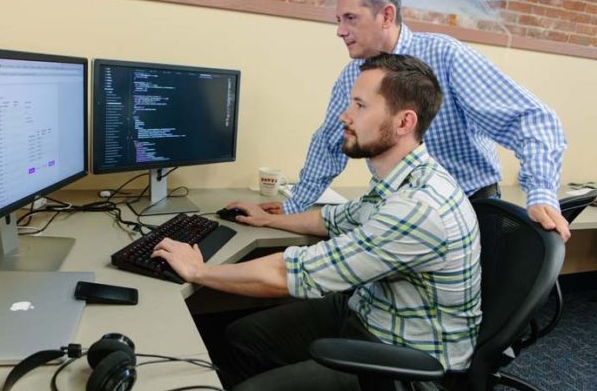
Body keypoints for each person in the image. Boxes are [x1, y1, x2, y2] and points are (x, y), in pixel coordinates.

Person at [153, 53, 482, 391]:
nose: (345, 115)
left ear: (403, 123)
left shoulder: (418, 208)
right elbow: (333, 219)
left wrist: (198, 271)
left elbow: (290, 273)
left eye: (360, 106)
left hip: (405, 363)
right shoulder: (400, 179)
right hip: (368, 312)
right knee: (241, 338)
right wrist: (269, 221)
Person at [260, 0, 570, 241]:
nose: (340, 31)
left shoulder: (445, 56)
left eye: (351, 18)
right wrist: (292, 206)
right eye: (339, 20)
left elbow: (533, 120)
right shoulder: (352, 77)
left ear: (387, 15)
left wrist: (540, 191)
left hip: (467, 208)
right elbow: (329, 144)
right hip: (401, 209)